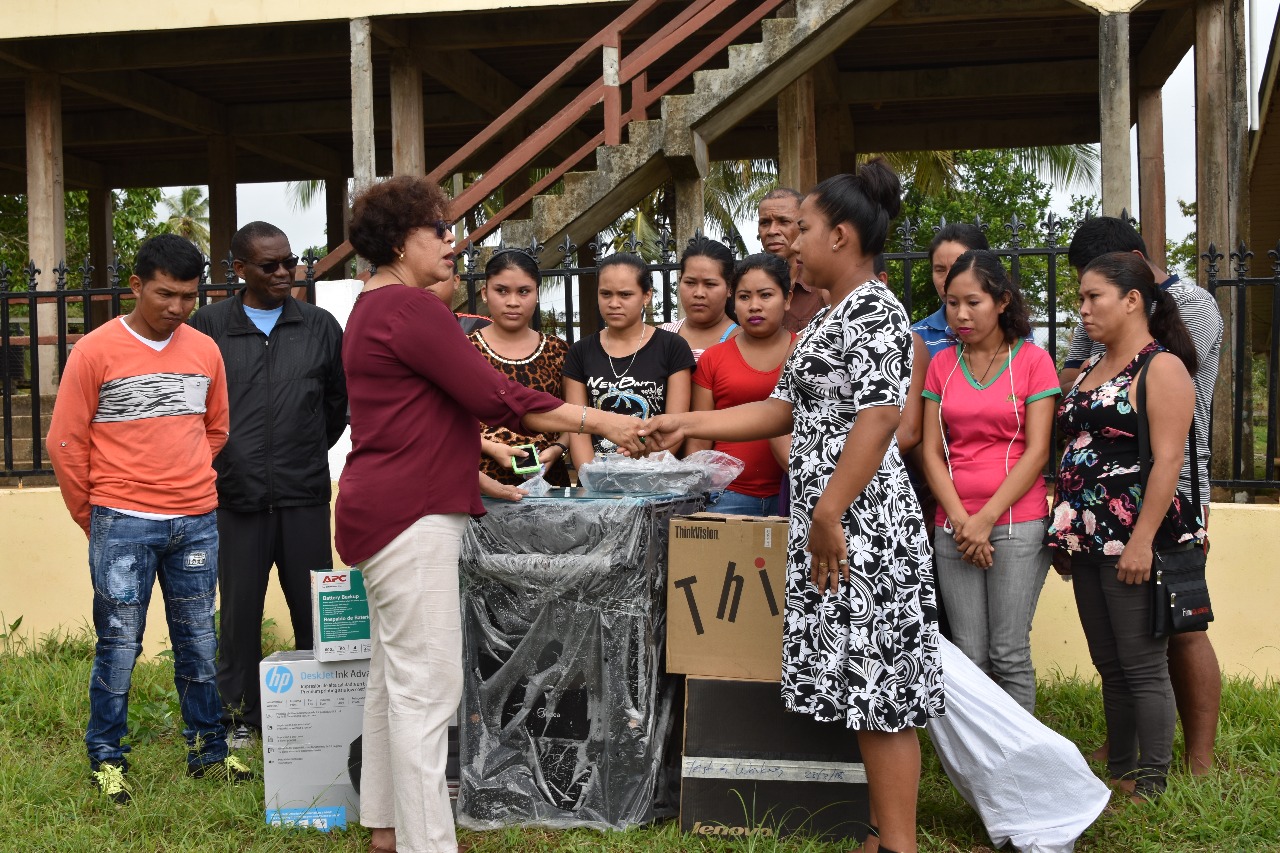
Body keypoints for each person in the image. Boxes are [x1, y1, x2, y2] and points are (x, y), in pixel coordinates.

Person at [336, 176, 646, 853]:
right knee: (428, 693)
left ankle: (385, 826)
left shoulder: (370, 307)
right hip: (408, 516)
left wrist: (472, 471)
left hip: (385, 507)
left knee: (394, 678)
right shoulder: (413, 310)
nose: (453, 243)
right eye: (438, 231)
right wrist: (604, 422)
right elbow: (498, 395)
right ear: (398, 241)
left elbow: (412, 418)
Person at [643, 161, 944, 853]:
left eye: (803, 229)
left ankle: (898, 845)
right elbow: (784, 409)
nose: (793, 242)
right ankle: (881, 834)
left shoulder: (874, 308)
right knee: (863, 687)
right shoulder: (833, 315)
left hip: (863, 527)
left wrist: (829, 511)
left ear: (840, 235)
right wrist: (686, 427)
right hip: (840, 523)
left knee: (883, 697)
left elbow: (878, 416)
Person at [46, 234, 251, 805]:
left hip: (196, 520)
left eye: (188, 296)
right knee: (118, 643)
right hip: (122, 521)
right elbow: (65, 441)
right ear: (136, 286)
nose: (177, 307)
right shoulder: (94, 350)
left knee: (199, 641)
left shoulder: (203, 350)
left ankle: (209, 752)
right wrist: (98, 516)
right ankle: (106, 758)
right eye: (165, 294)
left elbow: (215, 428)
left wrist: (182, 479)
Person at [1058, 216, 1223, 775]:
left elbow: (1170, 460)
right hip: (1088, 535)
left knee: (1143, 663)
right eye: (1079, 297)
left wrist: (1142, 541)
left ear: (1132, 300)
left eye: (1092, 296)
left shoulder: (1162, 367)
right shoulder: (1092, 368)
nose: (1082, 308)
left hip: (1133, 534)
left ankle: (1152, 778)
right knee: (1110, 662)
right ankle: (1122, 768)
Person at [190, 221, 347, 747]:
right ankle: (238, 720)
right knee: (238, 613)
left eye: (289, 261)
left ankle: (317, 711)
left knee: (313, 611)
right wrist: (232, 463)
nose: (284, 273)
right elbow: (196, 409)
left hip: (303, 494)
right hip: (235, 498)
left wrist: (299, 455)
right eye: (269, 265)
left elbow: (335, 409)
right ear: (239, 270)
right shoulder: (208, 326)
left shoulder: (320, 325)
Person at [919, 249, 1059, 713]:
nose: (960, 314)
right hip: (953, 526)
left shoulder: (1034, 361)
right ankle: (981, 770)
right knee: (969, 654)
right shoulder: (942, 365)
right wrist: (962, 520)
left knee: (1008, 653)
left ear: (1001, 301)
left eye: (973, 302)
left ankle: (1021, 766)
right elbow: (930, 450)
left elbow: (1038, 450)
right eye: (952, 303)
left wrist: (987, 518)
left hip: (1017, 523)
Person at [687, 252, 795, 516]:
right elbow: (700, 437)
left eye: (766, 295)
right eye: (744, 297)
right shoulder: (714, 357)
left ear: (788, 299)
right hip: (726, 496)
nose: (754, 305)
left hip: (794, 491)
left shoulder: (806, 351)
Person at [563, 253, 695, 466]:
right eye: (605, 294)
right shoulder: (580, 351)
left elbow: (675, 426)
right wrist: (591, 480)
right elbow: (578, 426)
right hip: (598, 480)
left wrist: (649, 476)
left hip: (656, 476)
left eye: (625, 295)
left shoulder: (672, 347)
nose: (614, 303)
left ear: (646, 295)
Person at [470, 248, 571, 487]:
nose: (513, 302)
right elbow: (445, 421)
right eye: (501, 291)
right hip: (481, 483)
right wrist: (492, 448)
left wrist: (557, 450)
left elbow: (575, 417)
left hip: (548, 485)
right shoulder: (464, 350)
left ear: (537, 294)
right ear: (485, 293)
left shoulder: (558, 350)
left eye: (524, 291)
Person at [659, 235, 739, 362]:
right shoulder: (659, 337)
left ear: (729, 288)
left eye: (710, 284)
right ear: (680, 281)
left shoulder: (742, 341)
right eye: (690, 283)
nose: (699, 293)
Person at [758, 187, 825, 333]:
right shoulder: (747, 284)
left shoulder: (823, 287)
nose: (772, 231)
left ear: (802, 226)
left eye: (783, 221)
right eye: (765, 223)